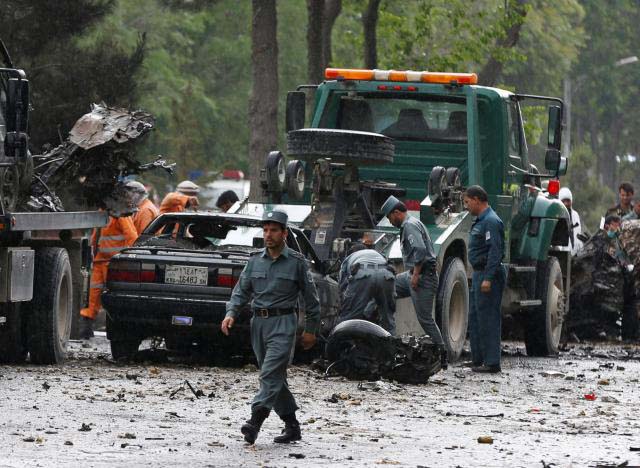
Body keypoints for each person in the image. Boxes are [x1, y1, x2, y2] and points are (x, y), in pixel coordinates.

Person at [221, 210, 320, 445]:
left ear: (284, 233)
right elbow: (241, 290)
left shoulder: (296, 262)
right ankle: (292, 426)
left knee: (269, 374)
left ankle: (255, 422)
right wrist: (230, 314)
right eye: (265, 230)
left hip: (284, 323)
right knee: (275, 377)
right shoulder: (255, 260)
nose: (268, 235)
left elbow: (311, 299)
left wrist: (311, 330)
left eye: (274, 230)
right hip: (259, 324)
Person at [380, 195, 446, 368]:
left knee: (425, 319)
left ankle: (442, 354)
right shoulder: (409, 224)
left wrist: (416, 275)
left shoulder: (409, 225)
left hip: (423, 276)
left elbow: (420, 250)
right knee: (389, 287)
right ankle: (388, 335)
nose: (390, 220)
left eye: (389, 217)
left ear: (396, 213)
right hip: (412, 275)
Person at [464, 185, 505, 373]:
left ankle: (492, 362)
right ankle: (478, 359)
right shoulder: (481, 220)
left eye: (467, 202)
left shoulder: (491, 221)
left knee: (488, 317)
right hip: (479, 273)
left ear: (477, 200)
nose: (466, 206)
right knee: (475, 317)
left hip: (490, 274)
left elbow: (495, 252)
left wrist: (488, 278)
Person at [79, 214, 138, 339]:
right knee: (92, 295)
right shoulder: (103, 213)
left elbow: (131, 235)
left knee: (115, 294)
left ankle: (121, 328)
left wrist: (132, 258)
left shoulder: (120, 214)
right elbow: (96, 236)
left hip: (114, 262)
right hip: (99, 261)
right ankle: (86, 327)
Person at [338, 243, 396, 333]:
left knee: (350, 318)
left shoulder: (349, 258)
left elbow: (342, 286)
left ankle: (345, 344)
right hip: (386, 275)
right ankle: (390, 343)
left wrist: (343, 306)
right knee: (387, 318)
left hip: (363, 273)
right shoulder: (377, 254)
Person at [559, 187, 583, 255]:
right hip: (561, 254)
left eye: (568, 201)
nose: (566, 203)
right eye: (563, 201)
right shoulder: (557, 215)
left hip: (575, 254)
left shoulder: (575, 215)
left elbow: (578, 235)